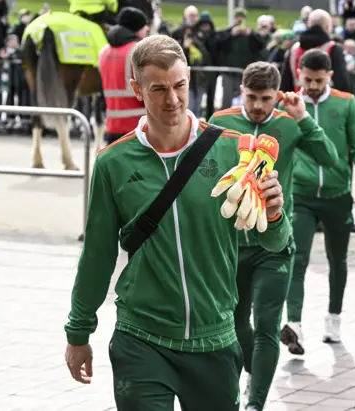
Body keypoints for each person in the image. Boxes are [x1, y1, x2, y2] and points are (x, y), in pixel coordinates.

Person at [64, 34, 291, 411]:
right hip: (141, 338)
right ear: (136, 89)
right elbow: (97, 255)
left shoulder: (232, 149)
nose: (172, 99)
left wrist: (274, 213)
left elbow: (274, 242)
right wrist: (78, 331)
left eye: (180, 86)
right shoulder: (113, 163)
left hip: (214, 339)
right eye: (158, 89)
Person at [208, 61, 339, 411]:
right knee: (235, 324)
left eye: (266, 98)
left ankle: (255, 404)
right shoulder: (222, 121)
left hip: (275, 244)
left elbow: (331, 157)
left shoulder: (287, 124)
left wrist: (303, 119)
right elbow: (202, 168)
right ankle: (254, 370)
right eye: (251, 97)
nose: (258, 106)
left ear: (277, 96)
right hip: (232, 244)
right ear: (241, 92)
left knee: (266, 325)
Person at [280, 49, 355, 354]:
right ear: (299, 73)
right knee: (297, 257)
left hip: (337, 195)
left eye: (319, 80)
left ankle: (334, 316)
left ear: (330, 77)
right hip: (302, 195)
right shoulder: (290, 105)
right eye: (307, 80)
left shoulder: (346, 103)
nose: (313, 86)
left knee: (338, 259)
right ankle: (294, 324)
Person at [98, 7, 149, 145]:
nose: (147, 31)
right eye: (145, 27)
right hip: (137, 130)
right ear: (137, 29)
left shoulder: (103, 52)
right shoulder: (138, 51)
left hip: (112, 128)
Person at [280, 9, 350, 94]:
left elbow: (285, 80)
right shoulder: (333, 48)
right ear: (328, 27)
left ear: (308, 25)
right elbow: (342, 80)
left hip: (298, 101)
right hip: (326, 101)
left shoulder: (294, 49)